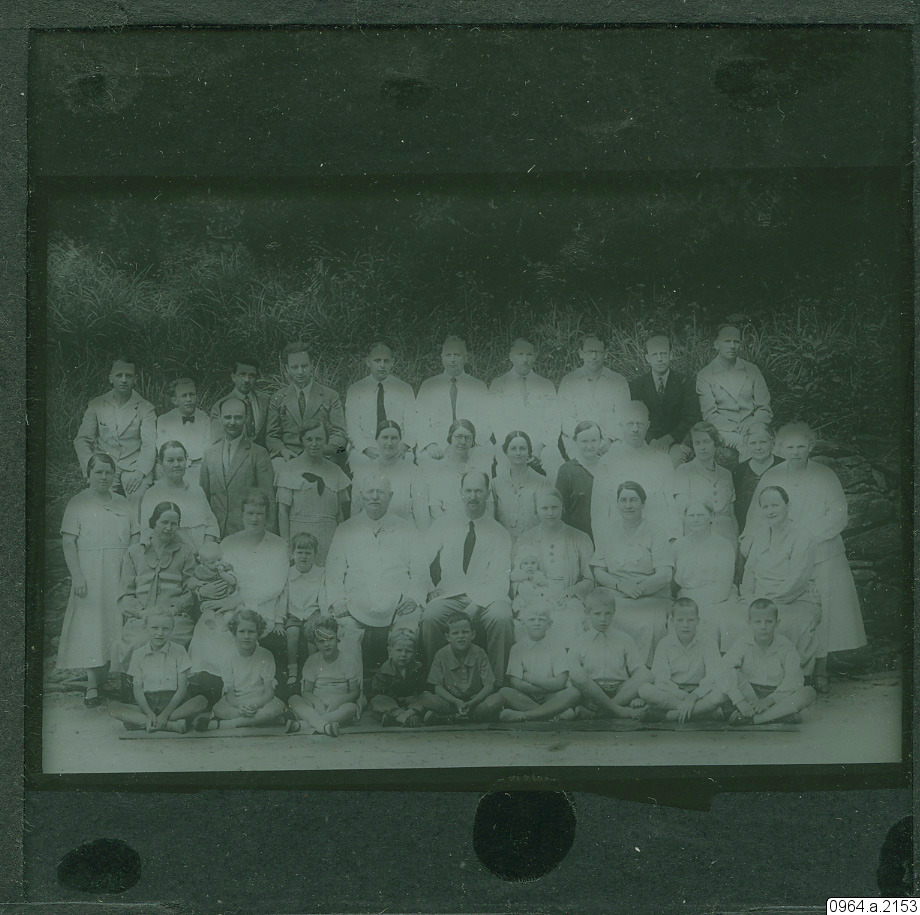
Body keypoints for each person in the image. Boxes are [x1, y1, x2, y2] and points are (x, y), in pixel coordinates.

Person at [747, 422, 867, 693]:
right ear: (780, 448)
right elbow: (757, 514)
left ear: (810, 447)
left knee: (824, 611)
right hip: (783, 557)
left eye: (801, 446)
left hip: (823, 553)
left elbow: (838, 514)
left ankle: (820, 670)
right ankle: (787, 671)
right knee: (787, 611)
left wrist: (807, 538)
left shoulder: (825, 475)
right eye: (789, 447)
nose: (795, 452)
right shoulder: (772, 475)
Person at [57, 453, 138, 707]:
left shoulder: (123, 502)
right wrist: (77, 575)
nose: (104, 477)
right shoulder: (78, 502)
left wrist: (132, 568)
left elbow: (135, 536)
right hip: (91, 572)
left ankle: (115, 681)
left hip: (121, 570)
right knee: (93, 626)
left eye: (108, 472)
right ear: (88, 474)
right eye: (98, 472)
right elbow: (68, 542)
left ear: (114, 475)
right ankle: (92, 685)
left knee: (118, 623)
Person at [325, 474, 427, 670]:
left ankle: (398, 683)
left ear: (390, 496)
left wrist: (414, 597)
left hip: (398, 605)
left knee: (406, 631)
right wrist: (337, 599)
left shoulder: (406, 528)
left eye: (380, 492)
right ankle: (353, 684)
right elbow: (333, 570)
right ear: (361, 496)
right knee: (346, 633)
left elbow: (421, 569)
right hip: (355, 605)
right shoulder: (346, 529)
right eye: (370, 492)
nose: (374, 497)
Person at [420, 470, 513, 681]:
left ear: (487, 493)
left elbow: (499, 578)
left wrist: (475, 606)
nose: (473, 496)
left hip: (488, 598)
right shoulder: (444, 524)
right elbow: (421, 560)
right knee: (430, 616)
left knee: (502, 617)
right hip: (451, 595)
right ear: (461, 492)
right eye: (468, 491)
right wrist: (428, 588)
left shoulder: (499, 532)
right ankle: (437, 682)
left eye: (478, 491)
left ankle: (496, 684)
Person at [739, 486, 821, 673]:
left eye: (775, 505)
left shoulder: (803, 537)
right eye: (765, 507)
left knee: (782, 626)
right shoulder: (760, 534)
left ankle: (788, 676)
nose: (770, 511)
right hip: (760, 599)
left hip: (795, 599)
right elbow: (749, 570)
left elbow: (797, 582)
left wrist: (764, 601)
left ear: (787, 506)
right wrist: (748, 596)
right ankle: (753, 676)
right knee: (738, 623)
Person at [590, 481, 673, 664]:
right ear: (617, 504)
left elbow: (665, 574)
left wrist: (637, 589)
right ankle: (614, 669)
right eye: (623, 500)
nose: (628, 505)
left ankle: (647, 669)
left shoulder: (656, 532)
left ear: (643, 504)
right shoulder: (608, 531)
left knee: (653, 623)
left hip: (651, 596)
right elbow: (599, 571)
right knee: (604, 619)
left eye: (633, 500)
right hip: (617, 595)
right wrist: (621, 586)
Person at [117, 501, 196, 671]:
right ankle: (138, 684)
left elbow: (191, 590)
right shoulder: (134, 552)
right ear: (154, 522)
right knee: (138, 641)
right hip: (142, 617)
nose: (169, 528)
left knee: (172, 640)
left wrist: (174, 610)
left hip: (175, 617)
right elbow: (126, 594)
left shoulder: (186, 552)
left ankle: (175, 684)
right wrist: (141, 613)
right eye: (164, 522)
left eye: (174, 524)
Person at [513, 489, 595, 648]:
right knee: (531, 623)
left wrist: (571, 591)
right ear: (536, 511)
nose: (550, 513)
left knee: (571, 621)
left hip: (568, 598)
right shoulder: (525, 539)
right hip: (535, 597)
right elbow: (516, 577)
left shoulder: (580, 538)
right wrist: (530, 591)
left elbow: (590, 579)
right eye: (544, 508)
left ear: (562, 508)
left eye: (555, 507)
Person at [219, 489, 291, 669]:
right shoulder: (228, 543)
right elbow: (222, 577)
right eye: (250, 513)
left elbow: (275, 586)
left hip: (263, 606)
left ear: (267, 517)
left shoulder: (279, 545)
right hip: (230, 604)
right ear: (242, 515)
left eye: (260, 514)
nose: (254, 518)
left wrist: (241, 598)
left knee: (245, 630)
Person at [74, 357, 156, 511]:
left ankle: (134, 527)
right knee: (100, 501)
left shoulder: (146, 408)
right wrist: (91, 467)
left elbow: (149, 444)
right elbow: (82, 440)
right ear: (111, 378)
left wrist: (140, 472)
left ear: (135, 379)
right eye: (119, 375)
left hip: (133, 465)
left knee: (138, 496)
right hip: (104, 464)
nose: (124, 380)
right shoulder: (97, 404)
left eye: (128, 376)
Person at [592, 401, 680, 544]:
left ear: (647, 425)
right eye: (630, 424)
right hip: (619, 541)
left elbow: (672, 505)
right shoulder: (607, 462)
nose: (635, 429)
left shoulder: (662, 461)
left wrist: (673, 539)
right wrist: (603, 546)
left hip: (655, 541)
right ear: (621, 425)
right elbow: (599, 511)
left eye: (639, 424)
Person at [719, 598, 817, 726]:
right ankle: (778, 715)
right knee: (730, 675)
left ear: (777, 623)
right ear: (749, 623)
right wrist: (739, 700)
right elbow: (723, 668)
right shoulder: (743, 643)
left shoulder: (786, 646)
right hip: (749, 694)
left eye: (769, 622)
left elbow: (794, 679)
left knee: (809, 692)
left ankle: (753, 719)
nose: (763, 627)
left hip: (776, 695)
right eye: (757, 622)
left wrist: (769, 700)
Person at [108, 610, 207, 733]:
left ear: (172, 629)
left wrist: (165, 715)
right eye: (154, 628)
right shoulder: (138, 654)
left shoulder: (179, 650)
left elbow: (182, 689)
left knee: (201, 701)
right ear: (145, 628)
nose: (159, 633)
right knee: (113, 708)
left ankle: (148, 723)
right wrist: (149, 713)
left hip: (174, 704)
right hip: (148, 704)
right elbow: (137, 689)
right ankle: (169, 725)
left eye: (165, 629)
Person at [193, 609, 289, 732]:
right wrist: (240, 708)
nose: (246, 636)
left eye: (251, 632)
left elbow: (269, 692)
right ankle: (262, 719)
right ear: (235, 633)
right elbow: (230, 694)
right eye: (242, 631)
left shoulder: (266, 655)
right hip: (237, 702)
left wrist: (256, 705)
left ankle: (225, 725)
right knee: (218, 709)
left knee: (277, 706)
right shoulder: (228, 657)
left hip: (260, 700)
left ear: (258, 633)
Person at [566, 589, 653, 720]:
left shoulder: (624, 639)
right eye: (597, 614)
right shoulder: (579, 641)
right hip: (592, 693)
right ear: (587, 613)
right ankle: (617, 710)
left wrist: (636, 691)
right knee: (577, 674)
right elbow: (574, 677)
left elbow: (639, 670)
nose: (603, 619)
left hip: (620, 692)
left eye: (608, 613)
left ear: (614, 612)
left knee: (646, 674)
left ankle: (602, 713)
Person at [637, 598, 726, 722]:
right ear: (672, 621)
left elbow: (713, 676)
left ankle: (669, 716)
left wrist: (694, 695)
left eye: (690, 620)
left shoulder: (708, 642)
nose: (685, 625)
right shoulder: (665, 644)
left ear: (698, 621)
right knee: (644, 690)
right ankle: (703, 712)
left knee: (722, 693)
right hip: (674, 692)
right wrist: (684, 697)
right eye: (680, 620)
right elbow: (661, 679)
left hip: (700, 691)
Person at [275, 418, 351, 563]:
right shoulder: (289, 469)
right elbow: (283, 512)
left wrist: (341, 545)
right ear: (302, 440)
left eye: (319, 439)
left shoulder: (335, 471)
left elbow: (340, 514)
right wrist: (287, 546)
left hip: (329, 538)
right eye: (309, 439)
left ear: (326, 440)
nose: (314, 444)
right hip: (299, 541)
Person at [199, 397, 275, 538]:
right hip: (215, 534)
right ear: (220, 418)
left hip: (247, 534)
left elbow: (268, 498)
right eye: (227, 417)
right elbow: (203, 498)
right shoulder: (209, 454)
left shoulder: (258, 453)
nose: (232, 422)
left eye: (238, 417)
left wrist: (267, 538)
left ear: (246, 418)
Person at [695, 324, 772, 460]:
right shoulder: (705, 374)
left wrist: (751, 423)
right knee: (747, 446)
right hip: (724, 429)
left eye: (736, 342)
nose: (732, 346)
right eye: (727, 341)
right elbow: (709, 415)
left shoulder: (752, 370)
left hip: (753, 425)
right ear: (717, 345)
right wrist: (735, 427)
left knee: (768, 445)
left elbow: (764, 409)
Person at [266, 342, 347, 470]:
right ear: (287, 369)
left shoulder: (330, 396)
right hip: (290, 456)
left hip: (322, 454)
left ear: (312, 365)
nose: (300, 372)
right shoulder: (278, 398)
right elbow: (272, 436)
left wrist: (324, 450)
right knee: (277, 467)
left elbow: (339, 433)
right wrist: (282, 451)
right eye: (294, 367)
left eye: (304, 366)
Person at [414, 336, 492, 466]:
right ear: (442, 358)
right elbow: (419, 419)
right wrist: (430, 444)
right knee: (429, 463)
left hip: (471, 445)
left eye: (457, 355)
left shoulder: (478, 386)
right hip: (437, 446)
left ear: (465, 357)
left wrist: (471, 443)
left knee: (481, 460)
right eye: (448, 355)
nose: (452, 359)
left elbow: (487, 420)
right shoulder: (429, 385)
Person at [489, 338, 562, 477]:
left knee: (555, 460)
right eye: (520, 354)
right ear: (511, 356)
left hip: (541, 445)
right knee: (504, 464)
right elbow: (497, 422)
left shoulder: (546, 385)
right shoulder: (498, 384)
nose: (525, 359)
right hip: (509, 444)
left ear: (535, 356)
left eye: (529, 354)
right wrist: (517, 447)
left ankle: (554, 492)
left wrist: (538, 447)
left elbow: (553, 422)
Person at [498, 603, 581, 723]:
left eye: (541, 619)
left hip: (551, 696)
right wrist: (546, 686)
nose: (536, 623)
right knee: (504, 691)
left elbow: (560, 683)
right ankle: (551, 713)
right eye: (532, 619)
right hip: (526, 697)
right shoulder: (517, 648)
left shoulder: (557, 647)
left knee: (574, 693)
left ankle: (526, 715)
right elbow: (516, 684)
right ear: (523, 623)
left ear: (549, 624)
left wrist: (529, 677)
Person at [672, 502, 739, 650]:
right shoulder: (679, 545)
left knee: (710, 621)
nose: (696, 519)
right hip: (687, 598)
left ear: (711, 517)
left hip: (719, 600)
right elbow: (675, 582)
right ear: (685, 519)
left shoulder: (724, 545)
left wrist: (697, 602)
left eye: (700, 515)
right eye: (691, 515)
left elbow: (723, 587)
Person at [628, 334, 699, 467]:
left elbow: (692, 417)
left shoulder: (685, 382)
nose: (659, 359)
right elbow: (635, 417)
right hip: (647, 440)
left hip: (678, 441)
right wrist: (651, 440)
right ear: (647, 358)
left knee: (673, 460)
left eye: (663, 354)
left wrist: (669, 438)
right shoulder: (637, 385)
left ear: (671, 355)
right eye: (655, 355)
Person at [557, 335, 630, 459]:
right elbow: (565, 418)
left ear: (605, 354)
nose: (594, 356)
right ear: (581, 354)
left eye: (598, 352)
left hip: (611, 441)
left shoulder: (619, 381)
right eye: (589, 351)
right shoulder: (569, 380)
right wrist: (585, 440)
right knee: (582, 464)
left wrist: (607, 441)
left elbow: (623, 417)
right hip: (576, 440)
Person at [424, 611, 505, 723]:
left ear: (473, 634)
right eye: (455, 633)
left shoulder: (479, 652)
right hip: (452, 702)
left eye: (465, 632)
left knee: (498, 698)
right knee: (427, 698)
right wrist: (456, 701)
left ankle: (452, 717)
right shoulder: (441, 654)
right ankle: (466, 716)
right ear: (448, 637)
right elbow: (437, 687)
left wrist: (472, 702)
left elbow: (489, 686)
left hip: (475, 701)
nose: (461, 636)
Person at [345, 343, 416, 470]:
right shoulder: (356, 389)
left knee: (403, 469)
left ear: (392, 363)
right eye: (377, 361)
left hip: (396, 446)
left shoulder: (404, 388)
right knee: (363, 468)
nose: (382, 365)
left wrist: (404, 445)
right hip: (365, 448)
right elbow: (352, 428)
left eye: (386, 361)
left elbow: (412, 425)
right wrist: (367, 449)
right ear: (368, 362)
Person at [288, 616, 363, 737]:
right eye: (321, 641)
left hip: (339, 705)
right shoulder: (312, 661)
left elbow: (355, 692)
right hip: (316, 705)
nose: (326, 644)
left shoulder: (348, 660)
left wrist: (339, 702)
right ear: (315, 643)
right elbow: (306, 692)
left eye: (330, 639)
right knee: (294, 699)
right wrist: (316, 702)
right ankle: (325, 726)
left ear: (337, 637)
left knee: (351, 708)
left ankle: (304, 725)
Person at [140, 441, 220, 551]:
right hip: (171, 557)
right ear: (161, 463)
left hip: (202, 555)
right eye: (170, 461)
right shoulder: (152, 494)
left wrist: (205, 549)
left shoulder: (197, 491)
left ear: (186, 460)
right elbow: (148, 533)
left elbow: (212, 525)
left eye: (180, 460)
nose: (176, 465)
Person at [186, 541, 241, 700]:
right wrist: (199, 584)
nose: (216, 564)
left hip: (227, 601)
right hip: (209, 603)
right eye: (212, 562)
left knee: (230, 616)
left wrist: (222, 573)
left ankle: (227, 623)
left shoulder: (226, 568)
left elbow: (233, 581)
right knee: (207, 616)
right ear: (203, 562)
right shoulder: (200, 570)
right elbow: (190, 583)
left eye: (218, 559)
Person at [351, 421, 427, 529]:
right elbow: (355, 511)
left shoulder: (413, 472)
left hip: (403, 531)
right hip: (370, 532)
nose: (389, 443)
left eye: (394, 438)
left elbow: (421, 512)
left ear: (400, 441)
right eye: (385, 437)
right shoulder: (362, 472)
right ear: (376, 440)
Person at [417, 419, 493, 524]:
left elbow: (489, 505)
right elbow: (435, 509)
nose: (463, 442)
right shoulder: (438, 469)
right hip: (447, 526)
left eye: (467, 438)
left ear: (472, 442)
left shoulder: (480, 469)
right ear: (450, 438)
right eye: (458, 437)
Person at [673, 421, 738, 543]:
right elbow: (684, 512)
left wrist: (736, 544)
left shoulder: (726, 474)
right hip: (698, 536)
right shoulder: (684, 470)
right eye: (697, 443)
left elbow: (732, 514)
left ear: (715, 443)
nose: (702, 447)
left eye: (706, 441)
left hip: (727, 536)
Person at [492, 431, 552, 542]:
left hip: (535, 544)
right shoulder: (496, 483)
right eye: (513, 449)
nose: (518, 453)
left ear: (529, 452)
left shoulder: (543, 482)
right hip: (506, 544)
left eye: (523, 448)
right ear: (506, 451)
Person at [282, 532, 325, 687]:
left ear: (314, 555)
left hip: (313, 613)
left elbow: (323, 596)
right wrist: (279, 620)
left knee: (312, 636)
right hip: (293, 614)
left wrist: (324, 616)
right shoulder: (287, 573)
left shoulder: (320, 573)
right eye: (299, 552)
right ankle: (293, 671)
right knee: (292, 634)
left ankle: (312, 671)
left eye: (308, 553)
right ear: (292, 553)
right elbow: (283, 597)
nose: (303, 557)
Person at [155, 377, 214, 488]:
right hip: (176, 469)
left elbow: (209, 448)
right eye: (184, 396)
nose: (189, 399)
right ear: (174, 400)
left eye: (192, 394)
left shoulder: (204, 418)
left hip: (200, 470)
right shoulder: (164, 420)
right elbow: (165, 451)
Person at [368, 629, 429, 728]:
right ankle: (403, 717)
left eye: (408, 651)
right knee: (377, 700)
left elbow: (422, 688)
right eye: (399, 650)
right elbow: (378, 692)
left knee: (427, 697)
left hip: (412, 702)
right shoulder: (384, 670)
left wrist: (413, 698)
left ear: (414, 652)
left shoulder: (418, 668)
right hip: (392, 703)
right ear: (390, 651)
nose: (403, 655)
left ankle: (400, 717)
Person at [555, 420, 602, 540]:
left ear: (600, 440)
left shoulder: (608, 467)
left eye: (594, 440)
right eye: (584, 441)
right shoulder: (567, 471)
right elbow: (560, 511)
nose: (589, 446)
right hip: (577, 539)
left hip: (605, 537)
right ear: (575, 441)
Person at [731, 422, 783, 527]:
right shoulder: (738, 471)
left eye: (763, 442)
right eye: (753, 443)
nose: (758, 447)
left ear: (773, 442)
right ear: (746, 444)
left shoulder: (784, 467)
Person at [210, 357, 269, 447]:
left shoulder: (266, 400)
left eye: (252, 375)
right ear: (233, 377)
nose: (247, 380)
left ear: (256, 378)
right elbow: (219, 441)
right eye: (242, 374)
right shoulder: (220, 406)